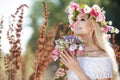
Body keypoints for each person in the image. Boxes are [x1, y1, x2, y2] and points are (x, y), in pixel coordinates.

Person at [54, 1, 120, 80]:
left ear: (92, 25)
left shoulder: (102, 56)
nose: (76, 23)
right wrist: (59, 77)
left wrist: (77, 69)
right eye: (75, 19)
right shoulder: (72, 53)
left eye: (82, 19)